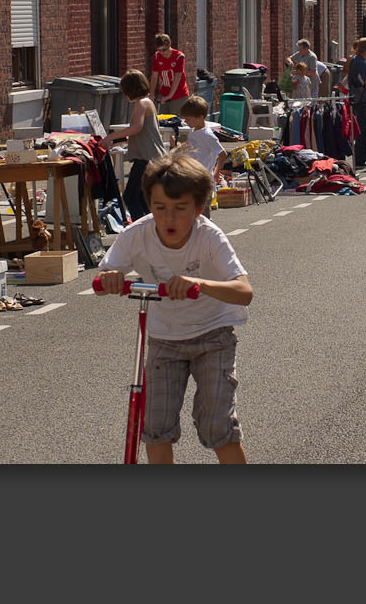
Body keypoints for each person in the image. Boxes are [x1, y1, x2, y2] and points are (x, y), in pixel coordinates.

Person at [95, 152, 253, 464]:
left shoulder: (209, 237)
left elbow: (244, 292)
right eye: (159, 208)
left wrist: (200, 284)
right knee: (156, 426)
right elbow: (104, 276)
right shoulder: (136, 234)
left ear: (198, 207)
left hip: (213, 336)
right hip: (164, 340)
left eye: (180, 209)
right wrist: (110, 278)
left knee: (217, 424)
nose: (169, 218)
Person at [107, 71, 168, 221]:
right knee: (142, 197)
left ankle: (141, 230)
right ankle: (153, 227)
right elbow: (141, 132)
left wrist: (110, 136)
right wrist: (120, 141)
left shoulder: (141, 104)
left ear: (130, 89)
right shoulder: (147, 102)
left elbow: (136, 128)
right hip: (153, 157)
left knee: (130, 196)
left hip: (146, 158)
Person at [346, 36, 366, 170]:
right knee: (363, 129)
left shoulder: (355, 60)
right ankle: (360, 159)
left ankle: (365, 157)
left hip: (358, 97)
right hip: (362, 99)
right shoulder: (360, 62)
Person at [174, 95, 227, 175]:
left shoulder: (207, 135)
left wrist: (216, 172)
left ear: (200, 117)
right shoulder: (193, 130)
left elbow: (223, 154)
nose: (185, 121)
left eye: (188, 119)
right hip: (193, 174)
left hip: (204, 177)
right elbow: (188, 146)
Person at [150, 34, 192, 118]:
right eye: (160, 50)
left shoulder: (179, 57)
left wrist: (170, 95)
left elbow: (177, 77)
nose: (162, 53)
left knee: (177, 121)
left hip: (179, 94)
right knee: (162, 120)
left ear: (169, 45)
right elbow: (154, 76)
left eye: (164, 50)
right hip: (164, 93)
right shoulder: (157, 56)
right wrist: (152, 94)